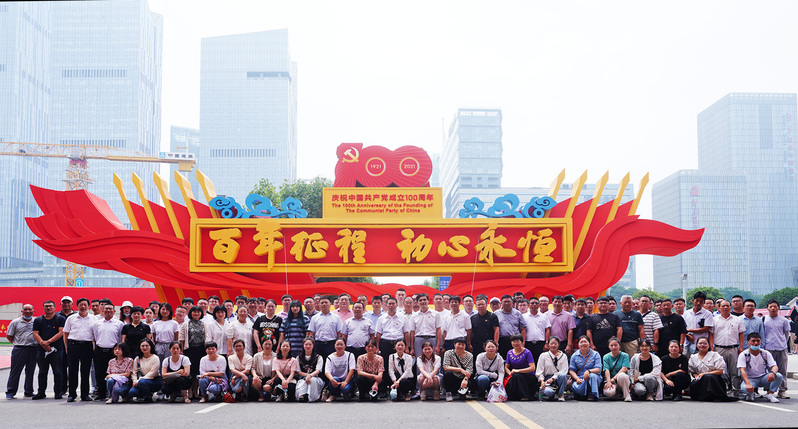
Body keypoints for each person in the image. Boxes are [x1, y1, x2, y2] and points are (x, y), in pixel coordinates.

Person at [63, 297, 96, 402]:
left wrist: (94, 347)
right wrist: (67, 347)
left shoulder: (93, 319)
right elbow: (65, 333)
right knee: (72, 370)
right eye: (81, 304)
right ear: (77, 306)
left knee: (85, 371)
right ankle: (72, 394)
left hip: (87, 346)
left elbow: (95, 334)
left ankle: (85, 394)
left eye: (85, 304)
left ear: (88, 306)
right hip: (73, 345)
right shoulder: (71, 318)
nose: (83, 306)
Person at [32, 300, 65, 400]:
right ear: (43, 308)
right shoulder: (38, 320)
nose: (48, 308)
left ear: (55, 308)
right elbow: (35, 333)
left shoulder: (60, 319)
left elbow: (61, 332)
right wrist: (43, 343)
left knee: (57, 371)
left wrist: (49, 342)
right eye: (46, 306)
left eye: (50, 306)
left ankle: (58, 392)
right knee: (42, 371)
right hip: (41, 349)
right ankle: (41, 392)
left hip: (57, 349)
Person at [738, 332, 783, 403]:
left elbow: (774, 366)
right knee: (744, 388)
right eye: (753, 341)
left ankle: (770, 394)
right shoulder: (744, 355)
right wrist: (748, 383)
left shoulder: (765, 353)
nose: (756, 343)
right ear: (748, 342)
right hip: (751, 379)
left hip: (763, 378)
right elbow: (742, 370)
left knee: (778, 376)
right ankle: (750, 394)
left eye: (758, 341)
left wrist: (773, 373)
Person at [91, 302, 123, 400]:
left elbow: (120, 338)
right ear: (102, 310)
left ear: (114, 311)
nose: (108, 310)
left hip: (112, 351)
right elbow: (95, 337)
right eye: (106, 309)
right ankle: (101, 394)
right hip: (100, 350)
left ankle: (112, 393)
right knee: (99, 372)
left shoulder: (119, 324)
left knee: (112, 373)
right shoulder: (97, 323)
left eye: (110, 309)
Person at [687, 337, 735, 402]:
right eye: (700, 343)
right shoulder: (693, 357)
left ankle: (714, 395)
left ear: (709, 345)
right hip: (700, 380)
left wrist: (705, 374)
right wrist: (696, 376)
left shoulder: (715, 355)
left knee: (708, 376)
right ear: (697, 345)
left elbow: (720, 371)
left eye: (705, 343)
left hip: (714, 379)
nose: (702, 345)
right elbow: (693, 372)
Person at [713, 299, 745, 395]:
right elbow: (711, 334)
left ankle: (735, 390)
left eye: (727, 306)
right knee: (719, 370)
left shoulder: (737, 319)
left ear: (730, 307)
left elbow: (741, 334)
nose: (725, 307)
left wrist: (741, 347)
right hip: (719, 348)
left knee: (734, 370)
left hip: (733, 348)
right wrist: (711, 347)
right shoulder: (715, 320)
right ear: (719, 308)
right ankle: (721, 389)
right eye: (723, 306)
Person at [5, 304, 37, 400]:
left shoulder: (36, 322)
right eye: (25, 309)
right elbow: (9, 335)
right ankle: (10, 392)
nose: (28, 311)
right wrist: (17, 344)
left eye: (30, 309)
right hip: (19, 349)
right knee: (15, 371)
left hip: (33, 349)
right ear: (22, 311)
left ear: (33, 311)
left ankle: (28, 391)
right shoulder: (15, 322)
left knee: (30, 371)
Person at [763, 299, 791, 399]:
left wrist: (782, 343)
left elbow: (786, 334)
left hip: (781, 348)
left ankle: (782, 390)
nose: (773, 308)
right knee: (768, 370)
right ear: (767, 308)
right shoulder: (764, 320)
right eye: (770, 306)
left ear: (778, 308)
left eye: (775, 306)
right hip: (768, 348)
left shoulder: (784, 320)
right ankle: (768, 390)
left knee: (782, 370)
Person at [179, 305, 206, 399]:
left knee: (197, 372)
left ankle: (196, 391)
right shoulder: (186, 324)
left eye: (198, 312)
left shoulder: (204, 324)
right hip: (189, 350)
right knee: (189, 372)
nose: (196, 313)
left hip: (201, 350)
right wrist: (181, 350)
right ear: (190, 313)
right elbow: (181, 339)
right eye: (194, 311)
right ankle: (189, 391)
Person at [569, 336, 602, 401]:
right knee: (577, 388)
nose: (583, 344)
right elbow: (571, 370)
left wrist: (588, 371)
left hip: (593, 377)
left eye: (585, 342)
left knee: (592, 376)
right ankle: (582, 393)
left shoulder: (595, 354)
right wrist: (577, 379)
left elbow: (598, 369)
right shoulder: (574, 355)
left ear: (589, 344)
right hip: (580, 378)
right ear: (578, 344)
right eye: (581, 342)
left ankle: (592, 393)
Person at [324, 338, 356, 402]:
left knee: (345, 389)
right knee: (335, 379)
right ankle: (333, 394)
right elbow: (327, 371)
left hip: (347, 379)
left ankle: (346, 394)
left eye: (341, 344)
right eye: (337, 344)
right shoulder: (330, 357)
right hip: (335, 379)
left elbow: (352, 369)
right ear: (334, 346)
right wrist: (332, 380)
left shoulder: (350, 355)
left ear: (345, 346)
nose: (339, 346)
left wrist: (346, 381)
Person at [538, 336, 568, 401]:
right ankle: (552, 393)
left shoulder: (563, 356)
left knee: (563, 375)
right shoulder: (543, 355)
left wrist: (553, 378)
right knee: (549, 392)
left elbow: (564, 371)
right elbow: (539, 371)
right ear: (548, 344)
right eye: (551, 343)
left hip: (559, 379)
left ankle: (561, 394)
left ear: (558, 344)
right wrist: (542, 381)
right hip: (547, 380)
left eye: (555, 343)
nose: (553, 345)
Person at [295, 337, 325, 402]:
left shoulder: (318, 357)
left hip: (316, 378)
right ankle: (303, 395)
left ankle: (312, 397)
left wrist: (310, 376)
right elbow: (298, 371)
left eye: (310, 344)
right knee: (302, 386)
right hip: (303, 378)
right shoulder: (298, 357)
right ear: (303, 345)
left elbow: (318, 370)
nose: (308, 346)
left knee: (312, 380)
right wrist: (307, 375)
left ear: (313, 345)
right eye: (306, 344)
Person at [602, 337, 631, 401]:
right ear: (608, 346)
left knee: (622, 375)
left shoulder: (625, 355)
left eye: (616, 345)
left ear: (619, 346)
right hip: (611, 381)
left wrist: (614, 378)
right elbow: (606, 370)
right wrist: (608, 381)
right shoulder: (606, 357)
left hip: (621, 380)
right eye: (611, 345)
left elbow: (624, 369)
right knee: (608, 392)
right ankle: (615, 393)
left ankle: (627, 395)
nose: (614, 347)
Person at [524, 297, 551, 363]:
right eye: (532, 303)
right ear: (528, 305)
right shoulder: (524, 316)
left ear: (539, 305)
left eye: (536, 303)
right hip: (528, 343)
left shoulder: (544, 316)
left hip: (540, 343)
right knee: (528, 362)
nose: (534, 305)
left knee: (540, 362)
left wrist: (547, 343)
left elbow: (547, 330)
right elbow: (522, 330)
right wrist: (523, 343)